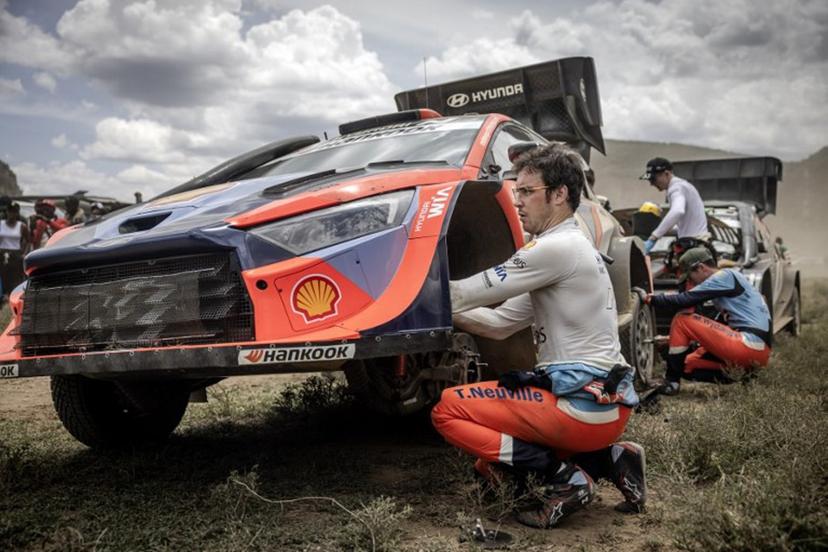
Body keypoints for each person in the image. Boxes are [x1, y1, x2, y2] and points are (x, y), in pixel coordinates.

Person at [431, 144, 646, 529]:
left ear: (560, 194)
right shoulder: (573, 249)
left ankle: (562, 478)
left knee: (448, 409)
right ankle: (610, 459)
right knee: (488, 461)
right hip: (606, 409)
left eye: (527, 192)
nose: (518, 202)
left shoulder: (555, 248)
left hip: (579, 409)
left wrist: (404, 296)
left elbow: (463, 292)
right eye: (517, 192)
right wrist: (445, 314)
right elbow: (497, 325)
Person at [645, 247, 772, 396]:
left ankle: (671, 382)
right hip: (759, 352)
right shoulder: (732, 282)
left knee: (682, 320)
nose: (691, 282)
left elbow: (684, 299)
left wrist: (650, 299)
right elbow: (713, 326)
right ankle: (746, 375)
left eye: (690, 277)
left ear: (701, 268)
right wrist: (671, 339)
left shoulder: (724, 276)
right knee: (686, 364)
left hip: (747, 344)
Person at [639, 157, 707, 255]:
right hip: (697, 241)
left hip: (693, 245)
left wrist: (654, 237)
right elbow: (686, 222)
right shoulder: (684, 186)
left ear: (667, 174)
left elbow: (678, 211)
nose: (651, 184)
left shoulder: (676, 188)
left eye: (654, 179)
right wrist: (666, 229)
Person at [0, 202, 29, 297]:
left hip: (15, 254)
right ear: (7, 212)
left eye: (14, 212)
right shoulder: (1, 224)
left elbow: (28, 240)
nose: (12, 214)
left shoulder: (21, 226)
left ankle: (14, 297)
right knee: (3, 278)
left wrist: (24, 253)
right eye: (10, 211)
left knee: (15, 279)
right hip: (2, 253)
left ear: (17, 213)